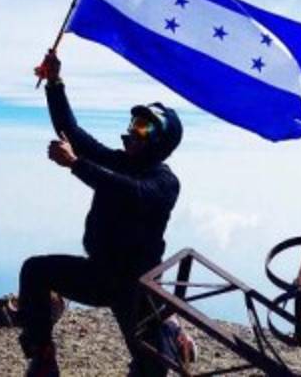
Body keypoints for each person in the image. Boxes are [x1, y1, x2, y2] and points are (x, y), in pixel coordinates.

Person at [19, 49, 183, 377]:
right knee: (35, 271)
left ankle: (172, 336)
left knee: (151, 371)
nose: (134, 132)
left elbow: (129, 192)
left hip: (138, 290)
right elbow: (73, 133)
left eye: (144, 128)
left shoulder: (164, 182)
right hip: (101, 274)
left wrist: (76, 165)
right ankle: (43, 356)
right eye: (134, 123)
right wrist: (54, 83)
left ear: (160, 141)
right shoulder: (121, 162)